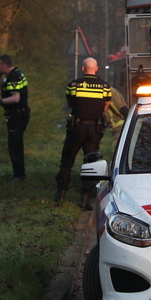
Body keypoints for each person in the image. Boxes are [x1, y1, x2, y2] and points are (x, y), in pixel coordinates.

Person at [55, 57, 112, 205]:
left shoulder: (73, 85)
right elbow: (105, 106)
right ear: (96, 69)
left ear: (82, 69)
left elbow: (70, 103)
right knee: (90, 163)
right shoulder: (104, 86)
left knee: (67, 161)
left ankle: (61, 194)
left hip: (76, 126)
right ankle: (86, 198)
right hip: (94, 128)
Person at [0, 54, 30, 181]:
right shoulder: (15, 75)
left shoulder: (13, 77)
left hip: (17, 115)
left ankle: (19, 175)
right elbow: (5, 90)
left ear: (4, 65)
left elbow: (15, 98)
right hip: (18, 114)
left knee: (15, 145)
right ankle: (18, 173)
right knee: (15, 144)